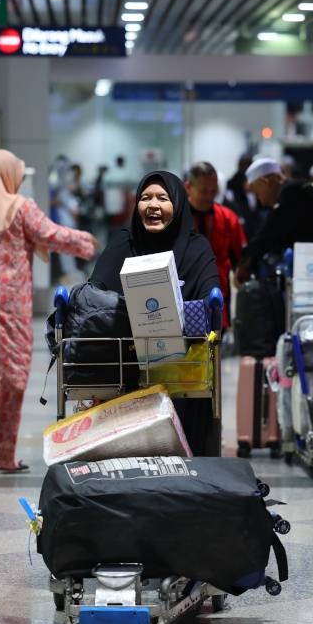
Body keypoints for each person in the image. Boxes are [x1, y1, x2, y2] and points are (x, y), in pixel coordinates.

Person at [0, 149, 97, 472]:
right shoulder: (18, 207)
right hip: (5, 306)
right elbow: (50, 234)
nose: (19, 183)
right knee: (13, 377)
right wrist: (86, 242)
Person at [90, 170, 221, 455]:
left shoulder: (196, 249)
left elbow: (210, 295)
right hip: (126, 366)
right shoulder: (124, 244)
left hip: (182, 369)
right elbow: (95, 293)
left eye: (162, 198)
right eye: (145, 198)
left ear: (178, 204)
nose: (153, 205)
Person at [234, 157, 313, 285]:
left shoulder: (293, 194)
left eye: (257, 193)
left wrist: (245, 261)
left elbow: (269, 233)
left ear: (266, 182)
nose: (260, 201)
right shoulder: (297, 189)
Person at [185, 161, 246, 329]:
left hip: (218, 300)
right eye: (204, 191)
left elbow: (240, 258)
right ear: (188, 187)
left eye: (213, 191)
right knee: (189, 343)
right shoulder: (175, 219)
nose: (209, 196)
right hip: (184, 299)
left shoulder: (228, 218)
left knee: (214, 343)